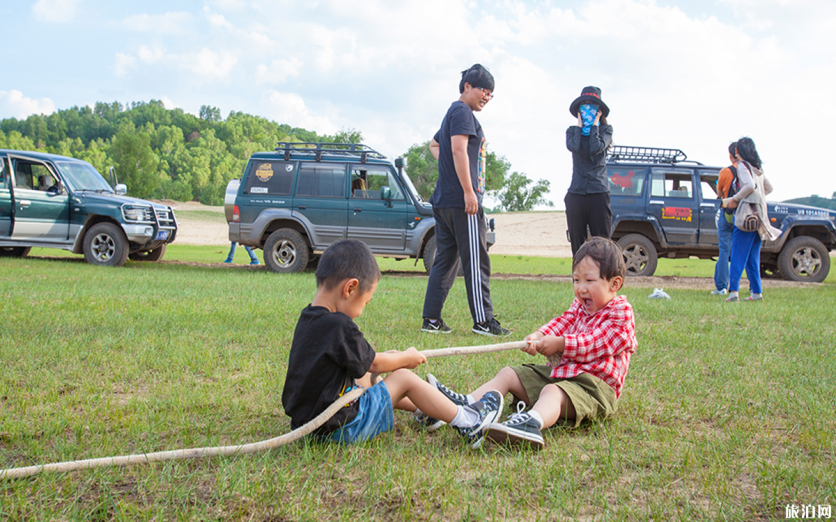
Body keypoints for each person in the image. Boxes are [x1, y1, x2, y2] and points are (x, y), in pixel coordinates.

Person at [281, 239, 504, 448]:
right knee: (403, 378)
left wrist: (392, 356)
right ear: (350, 288)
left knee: (366, 377)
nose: (361, 311)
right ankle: (470, 422)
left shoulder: (308, 317)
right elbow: (375, 364)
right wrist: (406, 358)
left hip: (308, 425)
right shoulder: (339, 324)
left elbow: (357, 363)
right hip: (339, 428)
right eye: (365, 302)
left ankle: (427, 410)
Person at [424, 237, 637, 450]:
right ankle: (466, 406)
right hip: (564, 377)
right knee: (509, 374)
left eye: (589, 281)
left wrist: (560, 344)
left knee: (552, 392)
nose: (581, 288)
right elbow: (562, 322)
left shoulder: (621, 312)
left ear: (614, 284)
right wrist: (539, 335)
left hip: (594, 389)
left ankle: (531, 423)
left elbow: (595, 344)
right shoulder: (580, 307)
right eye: (576, 280)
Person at [421, 64, 510, 337]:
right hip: (462, 202)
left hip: (444, 200)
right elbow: (459, 150)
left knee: (446, 259)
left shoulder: (454, 112)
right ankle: (483, 321)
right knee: (475, 258)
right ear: (467, 87)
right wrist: (469, 191)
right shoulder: (462, 112)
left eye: (491, 93)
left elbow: (435, 145)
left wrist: (449, 170)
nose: (486, 96)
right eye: (484, 89)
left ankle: (431, 319)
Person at [721, 137, 781, 302]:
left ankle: (733, 293)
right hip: (760, 217)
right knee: (753, 257)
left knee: (737, 255)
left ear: (738, 152)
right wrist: (756, 199)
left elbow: (749, 186)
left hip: (746, 217)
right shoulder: (757, 168)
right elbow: (768, 188)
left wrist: (737, 199)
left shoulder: (742, 166)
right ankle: (756, 293)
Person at [565, 86, 614, 256]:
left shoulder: (606, 131)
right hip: (576, 192)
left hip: (598, 193)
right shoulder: (572, 132)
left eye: (591, 105)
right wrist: (579, 126)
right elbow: (573, 146)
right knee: (577, 245)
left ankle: (602, 281)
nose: (587, 108)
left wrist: (594, 125)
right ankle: (578, 280)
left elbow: (596, 147)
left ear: (599, 110)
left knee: (602, 245)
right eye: (584, 105)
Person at [711, 141, 739, 296]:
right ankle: (737, 286)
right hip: (743, 214)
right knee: (738, 251)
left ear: (730, 155)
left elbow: (720, 193)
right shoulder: (748, 172)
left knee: (724, 251)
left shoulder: (725, 172)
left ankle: (721, 286)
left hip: (727, 212)